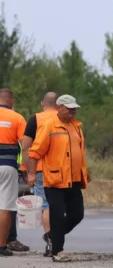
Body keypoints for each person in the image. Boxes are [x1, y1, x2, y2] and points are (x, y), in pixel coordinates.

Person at [27, 94, 90, 262]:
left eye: (74, 109)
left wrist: (84, 172)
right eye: (69, 109)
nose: (73, 112)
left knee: (77, 215)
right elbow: (34, 153)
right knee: (56, 215)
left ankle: (51, 235)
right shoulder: (49, 126)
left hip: (74, 179)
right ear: (59, 107)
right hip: (55, 181)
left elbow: (79, 153)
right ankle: (57, 251)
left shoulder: (76, 127)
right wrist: (32, 174)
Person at [21, 91, 58, 256]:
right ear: (59, 105)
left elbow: (26, 147)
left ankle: (51, 242)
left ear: (43, 104)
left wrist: (30, 171)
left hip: (41, 168)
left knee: (46, 206)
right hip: (62, 170)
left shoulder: (35, 119)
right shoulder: (65, 118)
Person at [0, 88, 26, 256]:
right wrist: (27, 169)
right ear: (12, 101)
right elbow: (26, 145)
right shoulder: (17, 118)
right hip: (7, 167)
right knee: (5, 207)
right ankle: (2, 245)